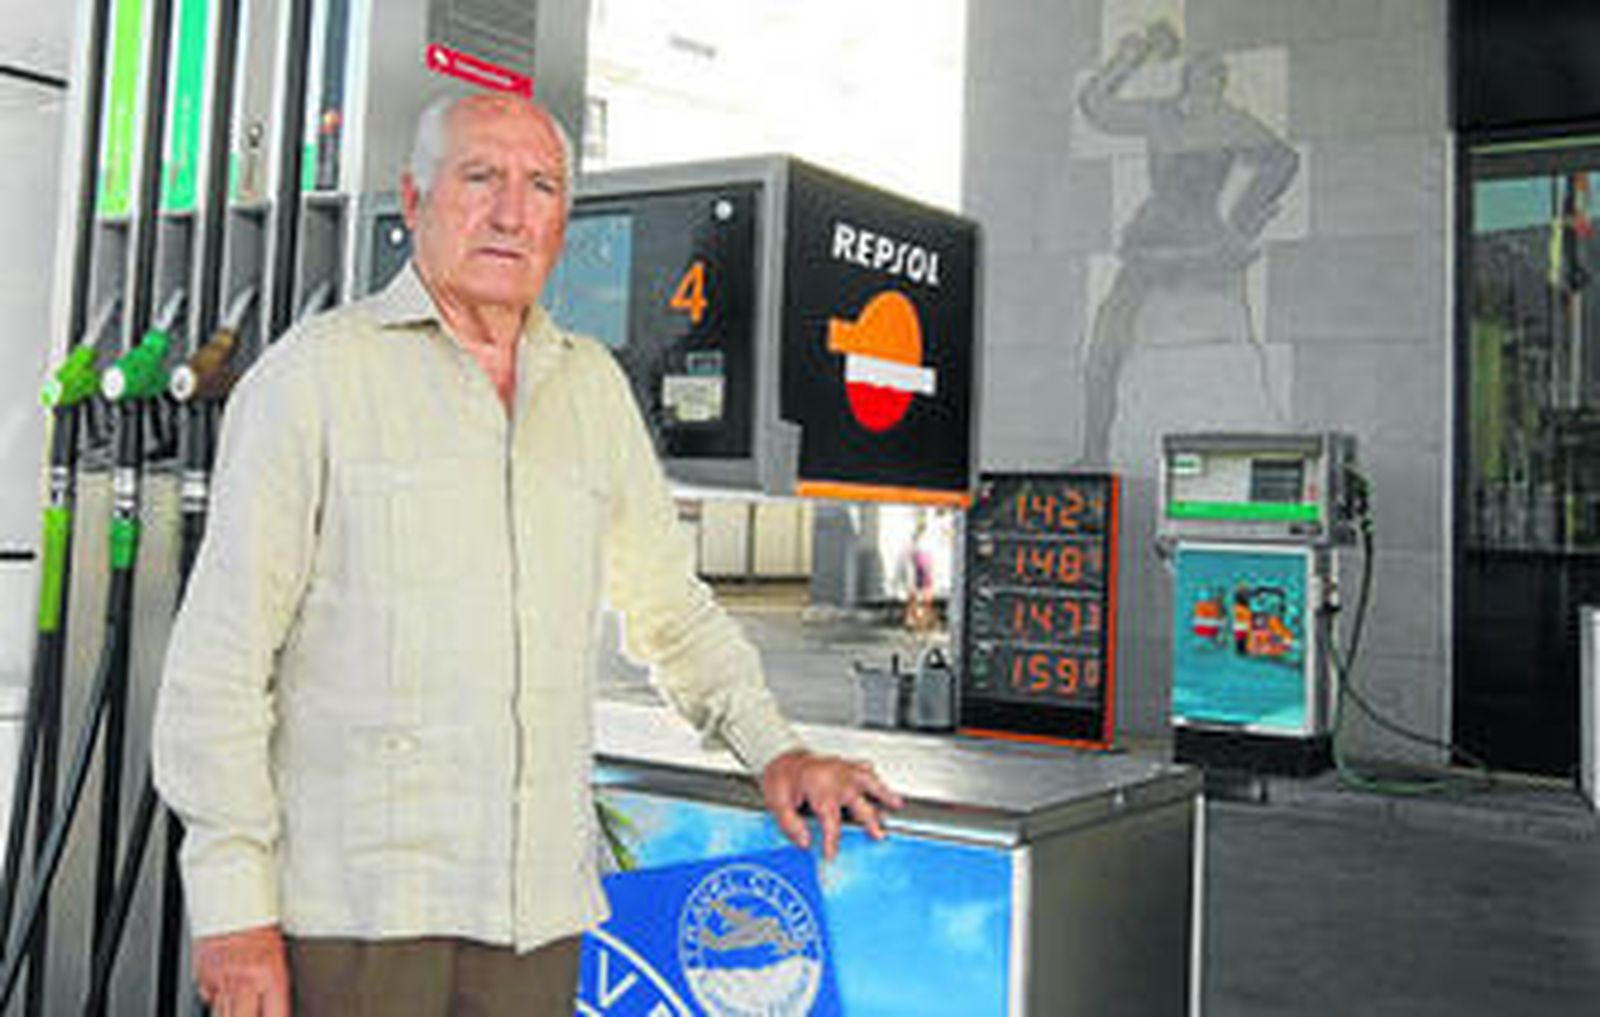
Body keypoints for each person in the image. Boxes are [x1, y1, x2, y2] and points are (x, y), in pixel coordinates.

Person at [151, 92, 903, 1017]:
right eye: (481, 178)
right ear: (414, 198)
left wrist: (776, 750)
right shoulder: (313, 380)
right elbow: (218, 670)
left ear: (562, 219)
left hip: (534, 915)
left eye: (541, 185)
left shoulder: (589, 388)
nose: (512, 211)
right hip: (355, 919)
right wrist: (232, 913)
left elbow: (669, 606)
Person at [1077, 20, 1298, 462]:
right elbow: (1095, 105)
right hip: (1151, 243)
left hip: (1204, 248)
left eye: (1214, 78)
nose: (1206, 87)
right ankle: (1094, 452)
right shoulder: (1160, 116)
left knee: (1228, 354)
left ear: (1221, 84)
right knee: (1106, 344)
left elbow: (1282, 161)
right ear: (1187, 82)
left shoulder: (1233, 122)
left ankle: (1241, 458)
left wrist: (1242, 222)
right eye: (1198, 77)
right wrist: (1126, 60)